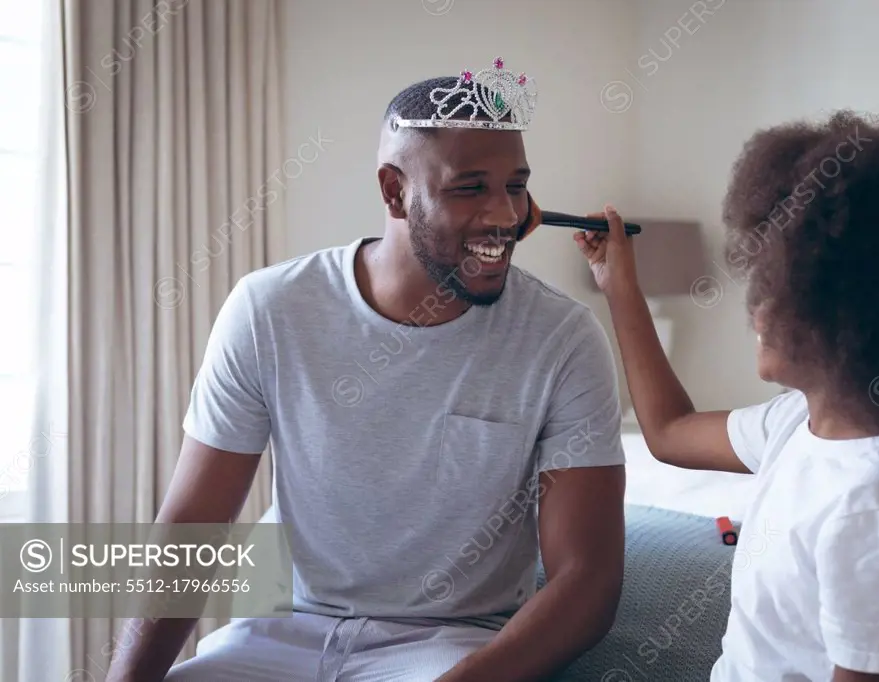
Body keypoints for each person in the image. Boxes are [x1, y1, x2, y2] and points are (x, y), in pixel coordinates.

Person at [107, 57, 627, 681]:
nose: (505, 215)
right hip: (278, 635)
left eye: (515, 185)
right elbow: (191, 529)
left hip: (448, 647)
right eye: (470, 187)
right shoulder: (270, 309)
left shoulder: (563, 340)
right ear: (393, 190)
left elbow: (586, 580)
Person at [576, 111, 879, 681]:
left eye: (779, 288)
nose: (757, 309)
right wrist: (619, 286)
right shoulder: (796, 425)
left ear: (857, 319)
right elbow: (667, 431)